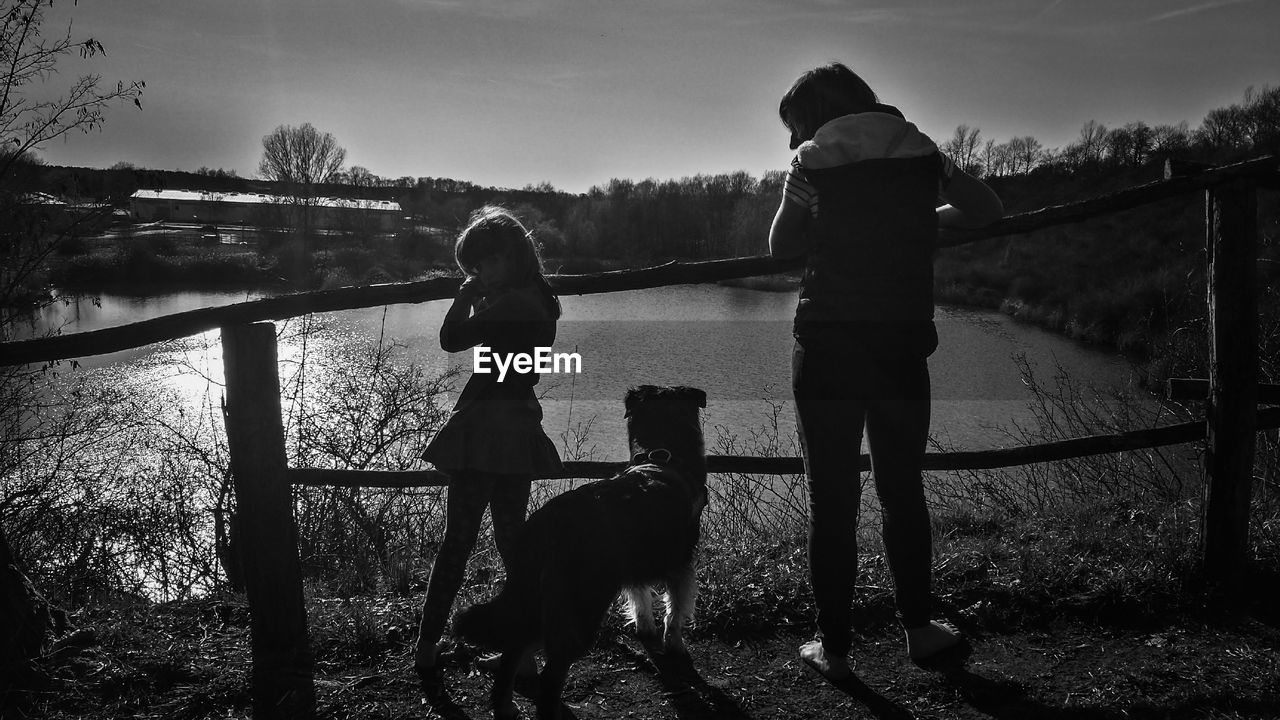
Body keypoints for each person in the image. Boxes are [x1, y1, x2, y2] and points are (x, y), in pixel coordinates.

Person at [768, 62, 1003, 680]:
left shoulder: (812, 162)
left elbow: (780, 247)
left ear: (817, 115)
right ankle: (920, 630)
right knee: (902, 489)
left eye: (795, 126)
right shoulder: (918, 149)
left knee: (833, 497)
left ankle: (835, 649)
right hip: (899, 342)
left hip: (826, 344)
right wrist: (927, 218)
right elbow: (986, 209)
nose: (793, 141)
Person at [414, 206, 565, 683]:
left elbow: (450, 340)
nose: (477, 276)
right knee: (511, 543)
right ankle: (522, 654)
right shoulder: (538, 297)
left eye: (481, 266)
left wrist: (463, 298)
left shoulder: (512, 303)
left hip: (486, 429)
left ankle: (427, 646)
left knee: (457, 542)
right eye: (471, 271)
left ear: (506, 257)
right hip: (516, 425)